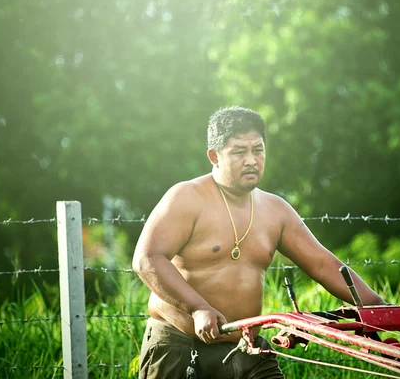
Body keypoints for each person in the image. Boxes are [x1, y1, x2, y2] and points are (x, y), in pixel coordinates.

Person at [132, 106, 385, 379]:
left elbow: (323, 264)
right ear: (214, 156)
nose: (251, 160)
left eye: (258, 150)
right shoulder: (186, 197)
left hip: (246, 347)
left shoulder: (276, 210)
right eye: (239, 152)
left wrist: (379, 307)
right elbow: (147, 259)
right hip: (180, 345)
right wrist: (198, 308)